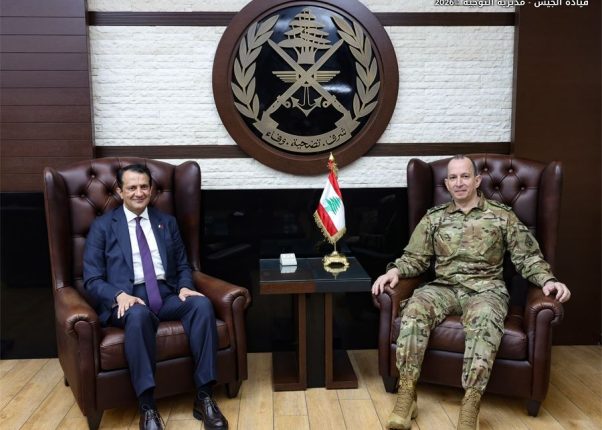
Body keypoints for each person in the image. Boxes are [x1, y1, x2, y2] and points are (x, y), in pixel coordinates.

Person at [371, 155, 571, 430]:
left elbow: (527, 258)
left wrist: (547, 280)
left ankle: (471, 404)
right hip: (445, 288)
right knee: (414, 309)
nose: (459, 182)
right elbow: (415, 258)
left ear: (477, 180)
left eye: (465, 176)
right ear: (446, 184)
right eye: (453, 178)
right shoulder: (434, 218)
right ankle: (407, 395)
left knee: (485, 318)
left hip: (486, 290)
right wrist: (394, 271)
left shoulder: (501, 216)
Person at [83, 164, 228, 430]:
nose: (139, 193)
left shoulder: (166, 222)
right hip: (129, 299)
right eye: (132, 187)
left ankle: (204, 395)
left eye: (144, 186)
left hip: (166, 294)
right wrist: (118, 295)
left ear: (151, 189)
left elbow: (183, 265)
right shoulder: (103, 227)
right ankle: (147, 406)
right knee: (138, 316)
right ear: (120, 191)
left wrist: (185, 286)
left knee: (201, 305)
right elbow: (91, 279)